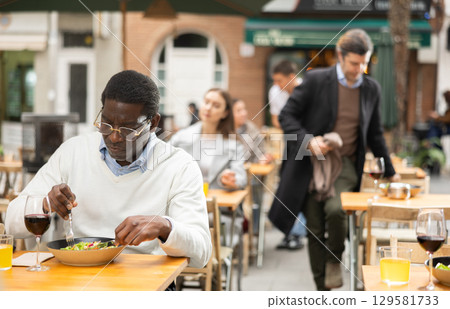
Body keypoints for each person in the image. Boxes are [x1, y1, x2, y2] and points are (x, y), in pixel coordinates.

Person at [6, 70, 211, 271]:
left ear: (153, 123)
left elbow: (201, 252)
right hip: (79, 277)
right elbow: (11, 224)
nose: (114, 137)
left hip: (146, 282)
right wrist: (45, 203)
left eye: (127, 129)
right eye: (106, 124)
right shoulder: (74, 151)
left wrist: (165, 226)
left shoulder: (179, 165)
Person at [269, 29, 399, 290]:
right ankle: (323, 290)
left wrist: (391, 171)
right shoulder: (317, 80)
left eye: (364, 63)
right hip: (309, 165)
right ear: (340, 56)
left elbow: (374, 134)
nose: (360, 69)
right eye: (354, 63)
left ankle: (333, 260)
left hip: (346, 165)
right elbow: (287, 117)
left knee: (337, 211)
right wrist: (309, 140)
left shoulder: (371, 88)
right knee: (314, 228)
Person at [170, 89, 246, 191]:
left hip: (219, 204)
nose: (208, 108)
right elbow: (162, 161)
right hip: (186, 200)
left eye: (216, 106)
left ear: (225, 113)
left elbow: (241, 178)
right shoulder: (182, 136)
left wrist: (229, 180)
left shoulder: (234, 144)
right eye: (206, 102)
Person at [270, 60, 307, 251]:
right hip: (289, 140)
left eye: (279, 80)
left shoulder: (306, 90)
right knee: (286, 183)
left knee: (298, 186)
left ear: (291, 78)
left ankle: (297, 234)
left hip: (306, 142)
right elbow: (277, 120)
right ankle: (288, 231)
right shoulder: (276, 92)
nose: (276, 84)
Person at [268, 60, 302, 129]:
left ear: (292, 77)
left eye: (279, 80)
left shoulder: (306, 88)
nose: (275, 84)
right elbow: (275, 119)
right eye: (274, 80)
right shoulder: (274, 91)